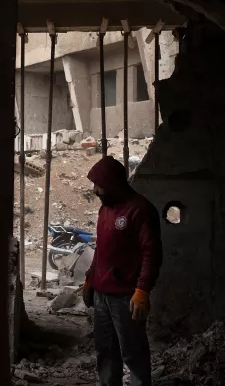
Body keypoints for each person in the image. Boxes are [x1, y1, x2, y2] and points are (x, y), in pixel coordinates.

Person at [80, 157, 162, 386]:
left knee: (133, 353)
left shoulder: (140, 209)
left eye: (99, 184)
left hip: (126, 296)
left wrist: (142, 290)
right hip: (102, 294)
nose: (95, 190)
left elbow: (151, 253)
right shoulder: (105, 209)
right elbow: (102, 249)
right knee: (105, 351)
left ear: (113, 182)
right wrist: (90, 279)